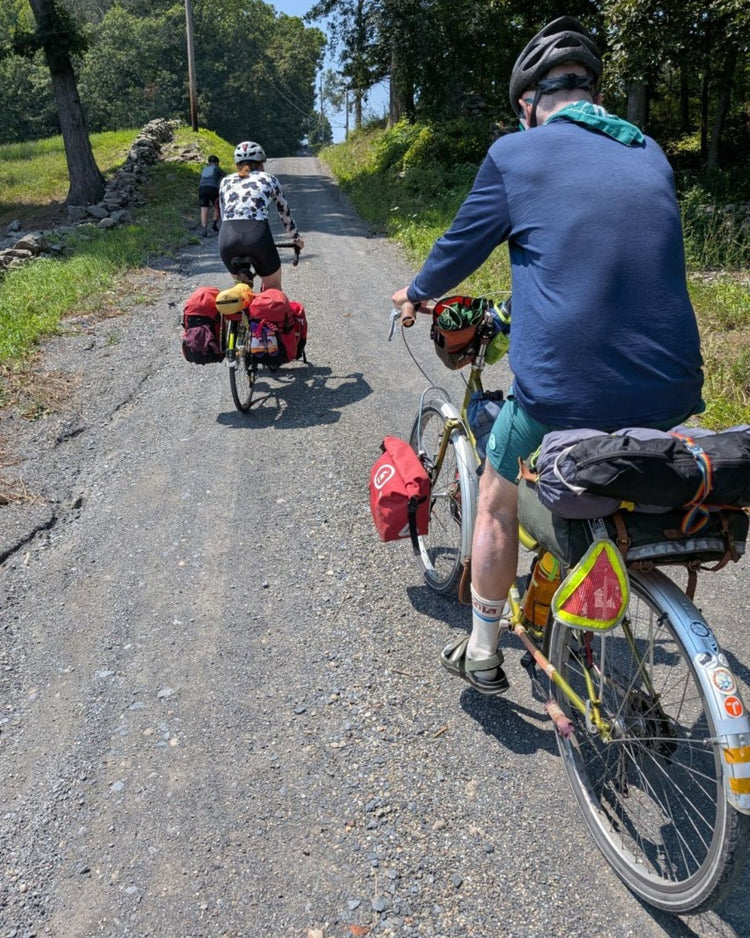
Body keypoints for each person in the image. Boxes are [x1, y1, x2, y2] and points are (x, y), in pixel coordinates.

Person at [391, 16, 704, 696]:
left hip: (565, 393)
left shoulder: (516, 155)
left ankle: (481, 648)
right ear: (592, 92)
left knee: (498, 501)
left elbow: (459, 248)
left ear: (530, 103)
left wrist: (416, 293)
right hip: (674, 389)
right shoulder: (649, 151)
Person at [218, 141, 304, 292]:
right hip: (257, 237)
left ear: (238, 164)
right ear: (261, 163)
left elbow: (224, 212)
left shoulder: (225, 181)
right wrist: (296, 238)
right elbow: (284, 212)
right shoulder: (269, 179)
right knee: (273, 289)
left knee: (239, 293)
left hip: (227, 239)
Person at [198, 155, 225, 237]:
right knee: (217, 207)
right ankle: (214, 224)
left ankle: (204, 230)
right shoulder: (217, 168)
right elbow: (226, 177)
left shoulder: (204, 169)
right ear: (217, 162)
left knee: (204, 209)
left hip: (202, 188)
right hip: (213, 188)